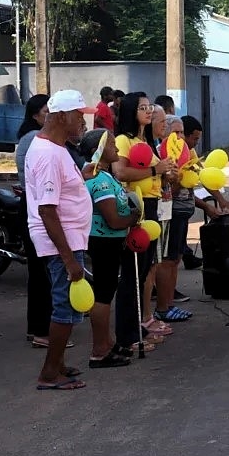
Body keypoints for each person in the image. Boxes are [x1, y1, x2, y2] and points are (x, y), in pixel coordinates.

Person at [27, 90, 96, 390]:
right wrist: (68, 259)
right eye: (79, 115)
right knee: (65, 308)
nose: (83, 122)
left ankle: (58, 364)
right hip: (61, 243)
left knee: (66, 306)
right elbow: (47, 209)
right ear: (61, 117)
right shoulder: (48, 154)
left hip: (68, 239)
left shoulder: (56, 149)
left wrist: (82, 176)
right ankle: (49, 373)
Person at [112, 93, 176, 351]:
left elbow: (155, 172)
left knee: (143, 271)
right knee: (132, 274)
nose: (149, 111)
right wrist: (154, 170)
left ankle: (137, 328)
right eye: (142, 107)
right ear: (130, 111)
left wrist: (167, 173)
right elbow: (121, 171)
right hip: (135, 208)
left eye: (149, 107)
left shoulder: (144, 141)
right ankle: (127, 337)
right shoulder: (123, 140)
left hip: (152, 206)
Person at [79, 129, 140, 367]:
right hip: (103, 241)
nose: (117, 148)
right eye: (112, 144)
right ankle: (99, 350)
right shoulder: (100, 181)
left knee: (106, 291)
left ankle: (107, 342)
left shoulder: (105, 175)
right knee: (103, 295)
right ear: (99, 150)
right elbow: (113, 219)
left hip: (109, 241)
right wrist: (133, 218)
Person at [15, 95, 62, 348]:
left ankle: (40, 328)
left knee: (42, 271)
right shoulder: (37, 141)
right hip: (40, 209)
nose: (51, 116)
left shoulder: (34, 139)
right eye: (47, 112)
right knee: (43, 272)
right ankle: (42, 330)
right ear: (35, 115)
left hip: (35, 206)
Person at [153, 115, 193, 321]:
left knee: (176, 258)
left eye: (182, 132)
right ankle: (164, 307)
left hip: (183, 212)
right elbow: (168, 189)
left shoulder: (185, 152)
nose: (179, 137)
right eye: (175, 132)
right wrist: (179, 179)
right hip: (171, 211)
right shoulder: (162, 155)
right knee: (167, 260)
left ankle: (170, 303)